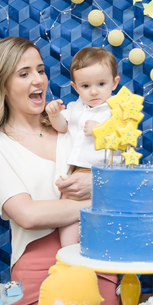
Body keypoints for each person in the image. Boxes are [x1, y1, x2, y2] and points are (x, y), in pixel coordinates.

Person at [0, 36, 119, 305]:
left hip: (96, 262)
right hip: (38, 277)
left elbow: (130, 183)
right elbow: (28, 215)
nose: (38, 80)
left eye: (40, 70)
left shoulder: (74, 126)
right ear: (2, 85)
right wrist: (101, 199)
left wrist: (105, 187)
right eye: (24, 74)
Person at [45, 46, 120, 247]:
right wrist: (54, 115)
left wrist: (100, 130)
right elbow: (62, 127)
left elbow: (123, 140)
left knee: (100, 222)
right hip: (76, 171)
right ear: (75, 87)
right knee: (68, 221)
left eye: (101, 84)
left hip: (107, 174)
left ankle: (95, 251)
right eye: (85, 86)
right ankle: (69, 255)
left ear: (114, 83)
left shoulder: (117, 110)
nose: (94, 91)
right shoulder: (75, 108)